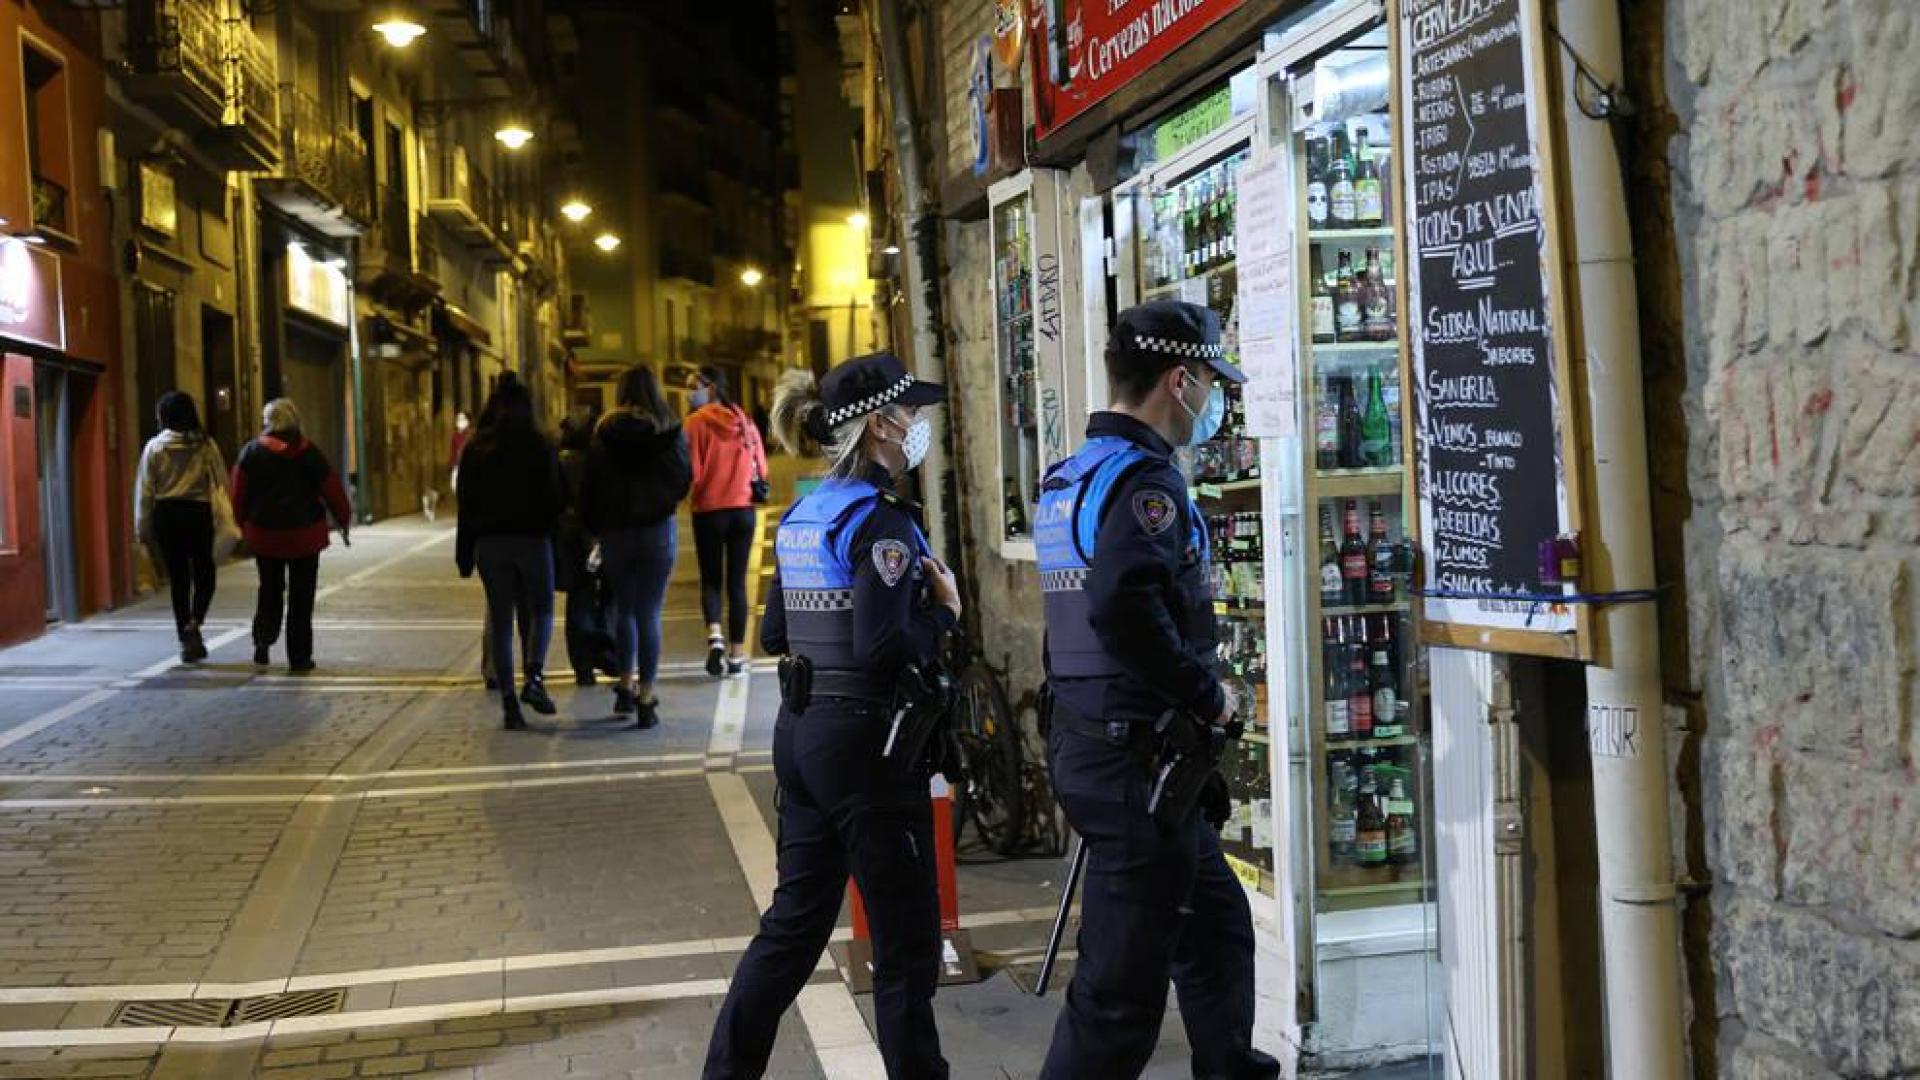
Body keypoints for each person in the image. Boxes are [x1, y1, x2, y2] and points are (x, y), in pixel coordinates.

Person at [1033, 301, 1280, 1079]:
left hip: (1102, 745)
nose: (1213, 398)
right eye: (1210, 380)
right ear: (1180, 380)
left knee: (1216, 929)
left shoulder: (1073, 476)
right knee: (1116, 1001)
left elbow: (1071, 623)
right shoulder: (1146, 486)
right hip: (1134, 762)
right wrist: (1206, 695)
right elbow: (1121, 606)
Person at [703, 353, 959, 1080]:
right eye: (910, 411)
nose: (918, 422)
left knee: (791, 930)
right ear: (879, 424)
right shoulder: (881, 522)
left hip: (802, 736)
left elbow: (775, 635)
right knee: (905, 945)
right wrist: (943, 614)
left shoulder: (805, 515)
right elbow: (882, 645)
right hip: (868, 749)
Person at [583, 366, 691, 727]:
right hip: (657, 530)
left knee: (625, 610)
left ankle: (625, 687)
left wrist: (596, 527)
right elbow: (683, 477)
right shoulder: (668, 429)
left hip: (616, 532)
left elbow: (591, 484)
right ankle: (646, 698)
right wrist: (663, 503)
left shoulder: (604, 432)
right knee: (650, 612)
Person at [455, 378, 565, 730]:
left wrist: (464, 553)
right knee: (542, 608)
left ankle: (509, 704)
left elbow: (465, 505)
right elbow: (556, 497)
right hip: (533, 540)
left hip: (491, 545)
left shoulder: (476, 449)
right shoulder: (541, 445)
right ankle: (534, 676)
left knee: (501, 621)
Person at [231, 399, 353, 673]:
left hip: (265, 536)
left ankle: (263, 640)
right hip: (304, 536)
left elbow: (238, 492)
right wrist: (343, 518)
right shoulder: (308, 452)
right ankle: (299, 656)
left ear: (267, 422)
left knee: (269, 589)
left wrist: (241, 523)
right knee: (302, 597)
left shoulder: (251, 452)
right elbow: (331, 487)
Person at [684, 366, 769, 678]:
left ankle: (715, 636)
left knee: (711, 579)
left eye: (693, 385)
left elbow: (692, 471)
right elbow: (762, 467)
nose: (689, 392)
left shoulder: (694, 423)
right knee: (737, 582)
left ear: (711, 388)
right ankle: (736, 656)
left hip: (708, 510)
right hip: (742, 510)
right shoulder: (743, 421)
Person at [135, 392, 229, 663]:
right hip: (198, 513)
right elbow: (222, 481)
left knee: (179, 578)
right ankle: (195, 621)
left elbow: (145, 490)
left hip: (166, 515)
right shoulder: (205, 445)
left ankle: (185, 637)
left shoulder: (155, 447)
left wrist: (142, 525)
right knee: (205, 573)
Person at [555, 416, 608, 686]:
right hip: (594, 535)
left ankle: (582, 667)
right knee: (605, 596)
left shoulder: (558, 462)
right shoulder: (595, 461)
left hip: (566, 538)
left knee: (578, 601)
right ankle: (607, 654)